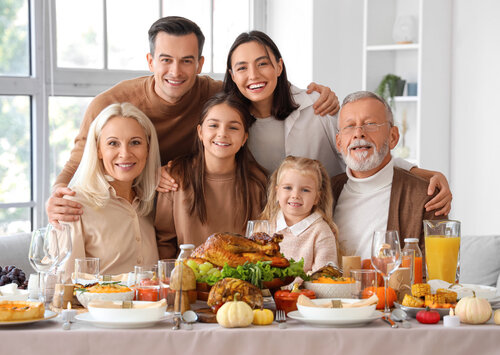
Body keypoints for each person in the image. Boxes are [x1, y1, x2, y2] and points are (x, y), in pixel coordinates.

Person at [47, 17, 339, 225]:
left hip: (189, 199)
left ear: (200, 64)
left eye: (187, 60)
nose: (176, 71)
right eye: (166, 60)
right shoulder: (110, 103)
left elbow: (257, 86)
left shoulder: (215, 92)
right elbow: (79, 159)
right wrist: (57, 193)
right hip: (126, 205)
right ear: (150, 62)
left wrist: (313, 97)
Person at [221, 31, 452, 216]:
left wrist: (420, 173)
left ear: (279, 67)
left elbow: (361, 149)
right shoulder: (231, 124)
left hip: (328, 222)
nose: (253, 75)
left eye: (262, 64)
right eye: (242, 68)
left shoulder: (316, 106)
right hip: (270, 227)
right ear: (232, 75)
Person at [331, 91, 446, 259]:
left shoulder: (426, 197)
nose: (358, 133)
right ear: (339, 142)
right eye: (349, 126)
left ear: (393, 137)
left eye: (370, 124)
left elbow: (437, 276)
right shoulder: (324, 193)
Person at [155, 92, 267, 259]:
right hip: (187, 278)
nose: (222, 134)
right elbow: (164, 241)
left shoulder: (257, 181)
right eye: (213, 125)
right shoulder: (176, 176)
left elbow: (262, 243)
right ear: (200, 132)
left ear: (244, 138)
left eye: (233, 127)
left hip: (240, 280)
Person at [58, 103, 161, 280]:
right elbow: (65, 285)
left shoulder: (153, 201)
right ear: (98, 150)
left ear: (148, 148)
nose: (125, 153)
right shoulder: (73, 205)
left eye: (135, 142)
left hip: (154, 307)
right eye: (113, 143)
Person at [260, 156, 338, 274]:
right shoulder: (265, 227)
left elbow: (325, 277)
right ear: (277, 193)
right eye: (288, 188)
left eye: (305, 190)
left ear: (317, 197)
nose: (295, 195)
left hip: (305, 292)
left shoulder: (321, 232)